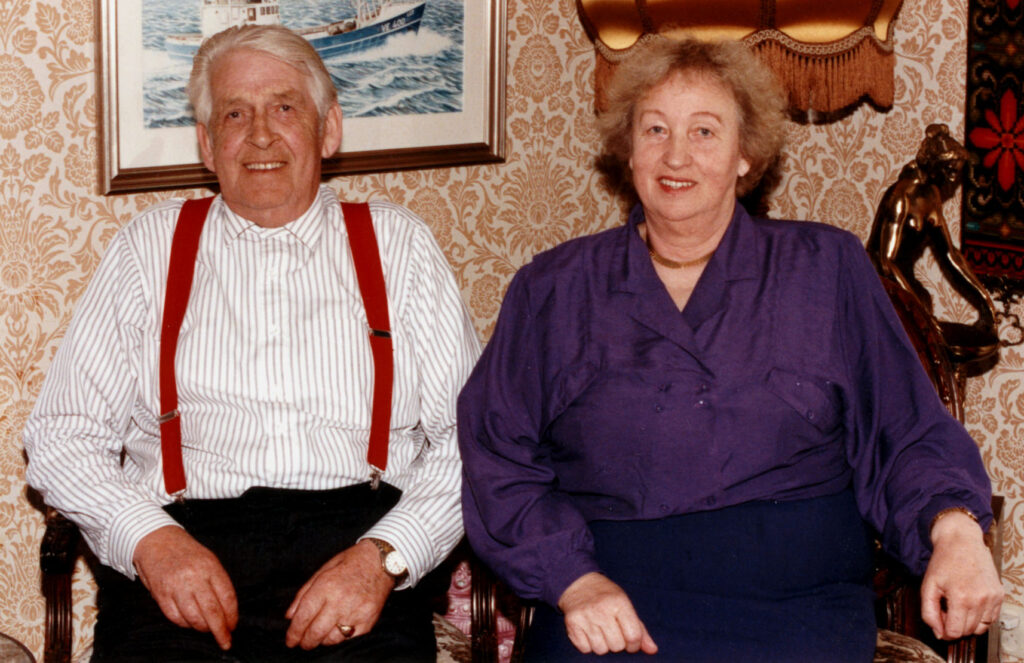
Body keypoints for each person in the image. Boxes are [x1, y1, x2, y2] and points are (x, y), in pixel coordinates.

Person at [457, 36, 1002, 662]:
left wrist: (955, 529)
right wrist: (573, 581)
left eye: (705, 132)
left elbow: (904, 429)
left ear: (746, 155)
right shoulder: (552, 288)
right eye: (655, 129)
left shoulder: (826, 267)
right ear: (628, 149)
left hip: (798, 611)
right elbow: (497, 455)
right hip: (609, 603)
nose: (676, 155)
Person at [24, 24, 480, 662]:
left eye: (285, 108)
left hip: (358, 555)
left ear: (329, 129)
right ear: (208, 144)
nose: (261, 135)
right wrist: (148, 539)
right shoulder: (147, 250)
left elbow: (473, 440)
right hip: (182, 556)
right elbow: (61, 435)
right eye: (235, 113)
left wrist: (386, 556)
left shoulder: (399, 246)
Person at [867, 123, 999, 365]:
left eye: (956, 172)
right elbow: (885, 262)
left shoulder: (932, 195)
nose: (953, 178)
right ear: (933, 164)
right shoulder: (901, 197)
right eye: (949, 170)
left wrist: (984, 301)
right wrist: (918, 313)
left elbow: (950, 255)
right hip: (879, 288)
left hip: (907, 286)